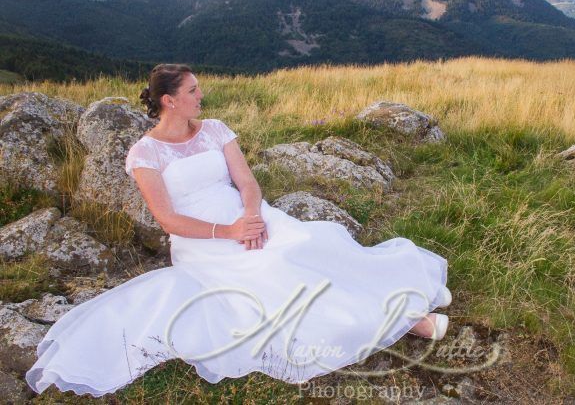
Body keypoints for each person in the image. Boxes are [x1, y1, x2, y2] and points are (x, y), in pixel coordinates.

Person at [25, 63, 451, 397]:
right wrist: (229, 232)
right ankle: (405, 318)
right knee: (273, 270)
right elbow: (168, 220)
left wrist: (252, 217)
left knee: (312, 239)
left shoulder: (214, 131)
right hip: (203, 239)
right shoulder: (145, 153)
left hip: (248, 216)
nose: (201, 95)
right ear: (169, 101)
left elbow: (247, 182)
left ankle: (389, 303)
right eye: (192, 91)